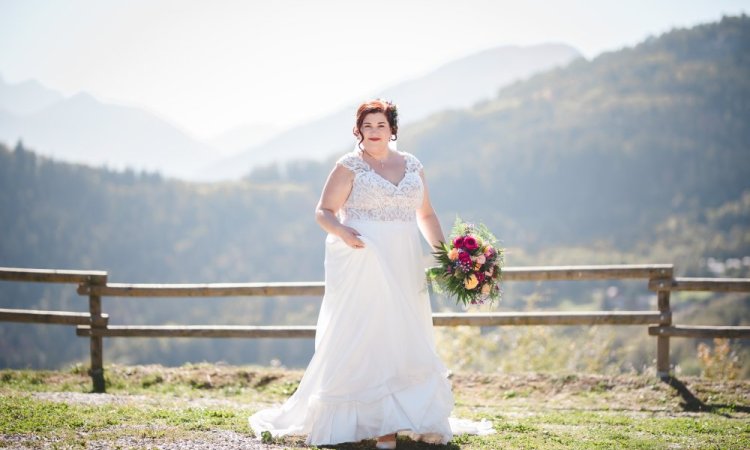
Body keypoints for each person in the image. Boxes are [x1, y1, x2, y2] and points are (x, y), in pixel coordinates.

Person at [249, 99, 455, 448]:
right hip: (362, 257)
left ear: (393, 129)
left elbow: (427, 215)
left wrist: (445, 254)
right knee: (368, 333)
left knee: (403, 333)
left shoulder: (413, 165)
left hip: (404, 260)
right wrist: (343, 232)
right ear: (358, 130)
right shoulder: (349, 166)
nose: (374, 132)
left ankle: (407, 415)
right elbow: (323, 211)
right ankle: (378, 425)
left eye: (381, 125)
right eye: (368, 126)